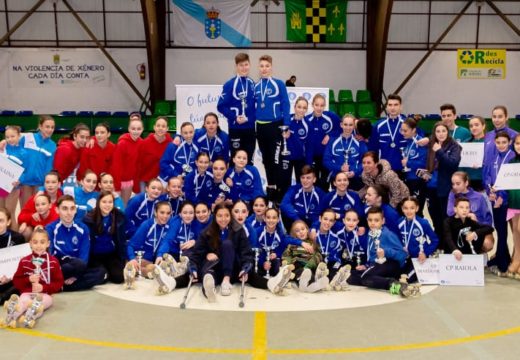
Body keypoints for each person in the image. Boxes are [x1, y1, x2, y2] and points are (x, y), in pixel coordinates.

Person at [188, 203, 293, 301]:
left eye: (226, 216)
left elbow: (246, 253)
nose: (223, 219)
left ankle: (272, 284)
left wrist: (245, 268)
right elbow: (196, 254)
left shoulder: (238, 230)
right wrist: (193, 267)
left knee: (246, 270)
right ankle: (208, 289)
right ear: (215, 216)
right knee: (207, 274)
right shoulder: (207, 232)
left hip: (233, 268)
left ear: (230, 216)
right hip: (215, 267)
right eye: (220, 216)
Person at [1, 227, 63, 328]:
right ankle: (11, 315)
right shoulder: (24, 261)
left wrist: (43, 288)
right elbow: (16, 281)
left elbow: (59, 283)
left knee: (42, 303)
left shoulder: (53, 262)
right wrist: (28, 279)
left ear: (48, 244)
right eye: (35, 242)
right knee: (23, 302)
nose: (38, 246)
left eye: (42, 242)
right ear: (30, 243)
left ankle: (30, 316)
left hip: (45, 294)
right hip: (27, 293)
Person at [347, 207, 412, 297]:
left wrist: (386, 252)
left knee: (365, 278)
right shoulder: (371, 233)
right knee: (351, 277)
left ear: (383, 221)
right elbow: (373, 256)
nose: (373, 223)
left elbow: (403, 255)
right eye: (370, 220)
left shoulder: (388, 234)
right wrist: (366, 266)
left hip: (390, 264)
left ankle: (394, 284)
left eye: (376, 220)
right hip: (378, 265)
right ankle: (384, 280)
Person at [46, 195, 106, 291]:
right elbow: (49, 255)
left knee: (101, 273)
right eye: (65, 209)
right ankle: (62, 283)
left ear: (75, 210)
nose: (69, 213)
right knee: (65, 267)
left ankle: (61, 286)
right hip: (60, 267)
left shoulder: (83, 228)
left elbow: (84, 256)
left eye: (72, 208)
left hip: (78, 266)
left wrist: (76, 276)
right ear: (57, 210)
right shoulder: (50, 228)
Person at [254, 55, 291, 199]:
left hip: (275, 126)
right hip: (260, 127)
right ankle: (271, 188)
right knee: (266, 160)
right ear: (259, 68)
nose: (264, 69)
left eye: (267, 66)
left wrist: (286, 125)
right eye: (262, 66)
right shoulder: (256, 86)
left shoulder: (279, 84)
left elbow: (286, 104)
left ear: (271, 67)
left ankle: (279, 190)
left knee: (276, 160)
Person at [421, 122, 461, 244]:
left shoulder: (455, 146)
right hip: (431, 187)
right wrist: (425, 174)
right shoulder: (431, 145)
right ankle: (439, 243)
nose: (441, 134)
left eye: (443, 131)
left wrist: (439, 151)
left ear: (447, 132)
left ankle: (448, 245)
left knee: (446, 218)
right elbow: (429, 167)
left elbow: (452, 165)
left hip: (446, 188)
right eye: (438, 131)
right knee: (435, 217)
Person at [484, 132, 514, 274]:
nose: (501, 145)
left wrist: (501, 195)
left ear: (509, 143)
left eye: (504, 142)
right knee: (500, 231)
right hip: (494, 199)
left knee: (508, 233)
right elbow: (487, 176)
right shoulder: (493, 157)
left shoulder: (513, 157)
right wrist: (490, 192)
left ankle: (503, 262)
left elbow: (512, 179)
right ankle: (503, 258)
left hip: (508, 200)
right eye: (498, 142)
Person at [217, 53, 256, 164]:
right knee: (235, 159)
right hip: (235, 128)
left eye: (246, 64)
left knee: (248, 160)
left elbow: (255, 108)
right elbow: (221, 106)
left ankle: (248, 181)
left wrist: (248, 119)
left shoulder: (252, 83)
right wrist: (234, 117)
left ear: (250, 65)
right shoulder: (229, 84)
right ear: (236, 67)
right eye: (241, 65)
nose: (244, 68)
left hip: (250, 128)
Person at [83, 191, 126, 284]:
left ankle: (108, 270)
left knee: (119, 278)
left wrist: (123, 260)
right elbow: (85, 243)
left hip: (111, 254)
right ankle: (104, 271)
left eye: (110, 202)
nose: (107, 205)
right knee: (102, 277)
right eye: (104, 202)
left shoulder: (119, 217)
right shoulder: (89, 218)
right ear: (98, 203)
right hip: (95, 255)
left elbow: (121, 241)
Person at [18, 115, 57, 207]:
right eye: (47, 127)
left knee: (38, 213)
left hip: (39, 185)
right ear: (40, 126)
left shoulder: (52, 145)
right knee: (25, 212)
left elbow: (49, 168)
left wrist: (43, 187)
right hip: (24, 182)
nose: (50, 130)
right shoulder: (27, 138)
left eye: (52, 127)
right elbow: (16, 151)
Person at [127, 201, 172, 278]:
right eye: (162, 212)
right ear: (155, 212)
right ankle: (133, 269)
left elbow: (167, 243)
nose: (165, 216)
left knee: (166, 266)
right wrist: (132, 258)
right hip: (143, 258)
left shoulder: (170, 226)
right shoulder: (147, 225)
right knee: (154, 269)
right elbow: (131, 245)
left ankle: (146, 272)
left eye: (168, 213)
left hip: (157, 259)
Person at [305, 94, 341, 190]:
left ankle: (324, 203)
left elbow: (341, 128)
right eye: (317, 105)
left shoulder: (330, 117)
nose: (319, 108)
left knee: (325, 182)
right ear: (312, 105)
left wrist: (330, 135)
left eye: (322, 105)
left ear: (325, 106)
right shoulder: (307, 119)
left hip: (326, 157)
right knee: (314, 182)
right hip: (312, 157)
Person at [398, 197, 438, 282]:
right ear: (402, 209)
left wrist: (425, 253)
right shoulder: (399, 222)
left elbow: (435, 240)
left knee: (406, 279)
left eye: (412, 208)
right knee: (396, 275)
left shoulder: (423, 223)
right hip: (404, 257)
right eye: (406, 208)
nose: (409, 211)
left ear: (417, 208)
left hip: (419, 258)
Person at [282, 220, 329, 293]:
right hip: (297, 265)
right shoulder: (292, 244)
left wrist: (310, 264)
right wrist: (288, 265)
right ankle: (307, 284)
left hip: (310, 265)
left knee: (311, 272)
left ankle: (314, 283)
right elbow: (286, 255)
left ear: (307, 230)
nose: (301, 232)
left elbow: (319, 254)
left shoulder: (313, 243)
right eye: (297, 231)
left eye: (303, 229)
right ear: (295, 234)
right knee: (300, 271)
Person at [275, 96, 308, 199]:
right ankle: (282, 202)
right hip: (286, 157)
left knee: (301, 182)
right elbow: (277, 137)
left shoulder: (308, 125)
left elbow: (309, 146)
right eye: (299, 107)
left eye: (304, 108)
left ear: (306, 109)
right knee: (284, 182)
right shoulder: (286, 121)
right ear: (294, 107)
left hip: (300, 158)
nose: (301, 110)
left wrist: (309, 163)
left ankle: (300, 201)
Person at [324, 114, 367, 191]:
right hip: (337, 177)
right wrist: (340, 168)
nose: (348, 128)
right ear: (341, 125)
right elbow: (326, 161)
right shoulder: (332, 141)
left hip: (354, 178)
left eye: (350, 125)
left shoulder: (360, 142)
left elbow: (364, 162)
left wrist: (354, 172)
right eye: (345, 124)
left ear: (354, 126)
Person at [17, 170, 62, 240]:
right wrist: (31, 217)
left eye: (53, 182)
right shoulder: (37, 198)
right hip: (35, 228)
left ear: (59, 184)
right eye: (47, 182)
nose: (50, 185)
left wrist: (43, 228)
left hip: (54, 230)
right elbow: (20, 218)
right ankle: (30, 248)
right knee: (25, 230)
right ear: (44, 184)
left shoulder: (62, 199)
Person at [313, 208, 351, 290]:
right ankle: (324, 280)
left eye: (331, 220)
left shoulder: (335, 238)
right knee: (316, 267)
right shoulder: (312, 235)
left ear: (334, 223)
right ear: (320, 218)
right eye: (325, 219)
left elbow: (336, 258)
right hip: (316, 262)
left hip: (330, 263)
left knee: (335, 266)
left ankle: (336, 279)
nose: (327, 223)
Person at [368, 94, 407, 172]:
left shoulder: (408, 124)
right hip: (383, 169)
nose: (392, 108)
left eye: (396, 105)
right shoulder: (378, 125)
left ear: (401, 107)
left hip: (403, 168)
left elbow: (416, 144)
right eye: (390, 105)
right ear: (386, 107)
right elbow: (372, 149)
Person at [111, 112, 144, 204]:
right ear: (129, 129)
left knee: (124, 206)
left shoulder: (142, 143)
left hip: (129, 182)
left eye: (138, 129)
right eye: (133, 128)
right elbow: (116, 166)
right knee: (114, 206)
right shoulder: (122, 144)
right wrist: (116, 185)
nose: (136, 131)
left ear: (142, 130)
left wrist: (136, 185)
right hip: (118, 181)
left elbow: (138, 165)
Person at [0, 125, 27, 230]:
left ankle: (14, 239)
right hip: (1, 186)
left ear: (19, 136)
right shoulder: (2, 148)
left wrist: (20, 180)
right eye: (7, 137)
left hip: (13, 187)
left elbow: (26, 172)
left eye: (12, 136)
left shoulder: (23, 153)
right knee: (1, 212)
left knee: (9, 213)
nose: (10, 139)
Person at [400, 117, 428, 215]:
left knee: (417, 210)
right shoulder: (408, 142)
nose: (402, 132)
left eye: (405, 130)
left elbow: (424, 164)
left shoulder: (420, 143)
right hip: (409, 180)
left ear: (414, 130)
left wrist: (408, 163)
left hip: (418, 180)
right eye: (401, 130)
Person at [136, 116, 172, 190]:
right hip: (145, 180)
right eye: (158, 126)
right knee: (144, 200)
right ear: (154, 127)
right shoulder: (145, 143)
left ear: (167, 128)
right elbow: (138, 162)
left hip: (163, 181)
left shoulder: (171, 144)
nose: (160, 128)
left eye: (163, 126)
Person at [0, 208, 25, 305]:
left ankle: (3, 298)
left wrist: (10, 277)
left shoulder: (18, 238)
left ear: (8, 222)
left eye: (1, 221)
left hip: (12, 279)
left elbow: (23, 265)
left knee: (24, 282)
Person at [459, 116, 487, 191]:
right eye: (471, 126)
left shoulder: (489, 142)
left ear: (483, 126)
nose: (474, 128)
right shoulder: (465, 143)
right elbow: (461, 164)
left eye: (476, 125)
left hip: (485, 180)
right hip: (469, 180)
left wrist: (482, 163)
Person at [506, 134, 520, 278]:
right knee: (516, 232)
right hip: (514, 201)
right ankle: (516, 260)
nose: (518, 146)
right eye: (517, 143)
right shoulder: (511, 162)